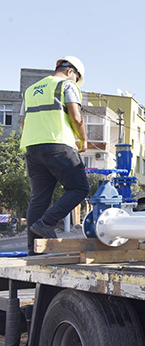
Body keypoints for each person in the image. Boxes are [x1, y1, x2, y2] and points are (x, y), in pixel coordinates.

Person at [20, 56, 90, 255]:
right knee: (79, 188)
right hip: (59, 144)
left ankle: (33, 249)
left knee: (39, 199)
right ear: (71, 72)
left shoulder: (30, 91)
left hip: (33, 148)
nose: (75, 81)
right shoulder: (66, 85)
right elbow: (76, 116)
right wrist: (82, 140)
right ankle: (47, 223)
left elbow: (24, 122)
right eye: (76, 78)